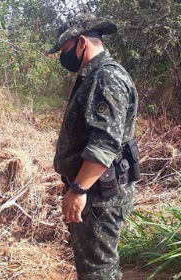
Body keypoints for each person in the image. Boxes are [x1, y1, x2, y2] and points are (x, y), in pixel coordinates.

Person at [48, 13, 139, 280]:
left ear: (82, 43)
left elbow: (104, 144)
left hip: (99, 195)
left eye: (65, 49)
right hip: (96, 191)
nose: (63, 57)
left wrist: (78, 190)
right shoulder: (94, 76)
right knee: (96, 266)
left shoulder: (106, 78)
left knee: (98, 273)